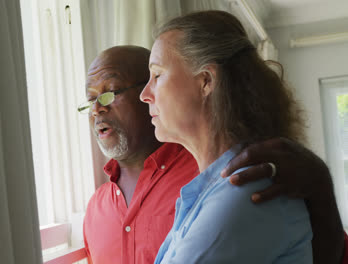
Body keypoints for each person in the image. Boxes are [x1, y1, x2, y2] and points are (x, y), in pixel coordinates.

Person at [81, 45, 347, 263]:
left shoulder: (230, 170)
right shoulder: (95, 210)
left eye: (109, 94)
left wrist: (319, 184)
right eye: (90, 100)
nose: (96, 110)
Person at [138, 10, 338, 263]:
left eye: (157, 75)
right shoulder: (217, 190)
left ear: (206, 82)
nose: (145, 94)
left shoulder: (246, 190)